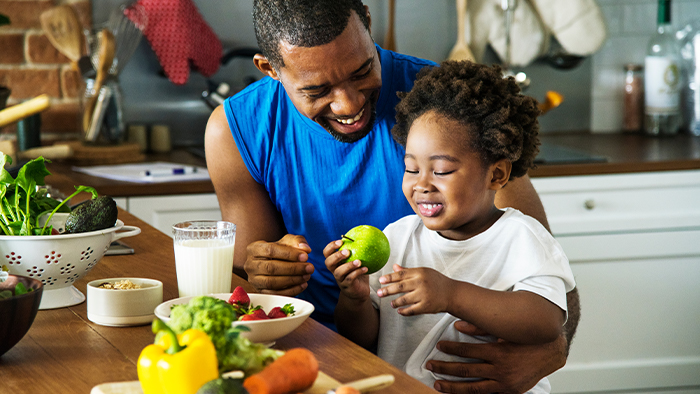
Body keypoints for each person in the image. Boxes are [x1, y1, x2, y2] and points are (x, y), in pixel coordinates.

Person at [204, 0, 581, 392]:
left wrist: (553, 352)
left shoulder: (447, 110)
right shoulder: (237, 130)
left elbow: (551, 287)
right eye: (316, 89)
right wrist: (267, 271)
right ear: (269, 69)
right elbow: (248, 295)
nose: (348, 104)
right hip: (310, 358)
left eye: (362, 70)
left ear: (368, 23)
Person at [323, 60, 576, 393]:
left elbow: (546, 322)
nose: (422, 184)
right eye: (411, 169)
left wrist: (451, 294)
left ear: (496, 175)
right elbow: (362, 338)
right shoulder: (398, 238)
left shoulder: (521, 238)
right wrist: (354, 299)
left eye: (441, 171)